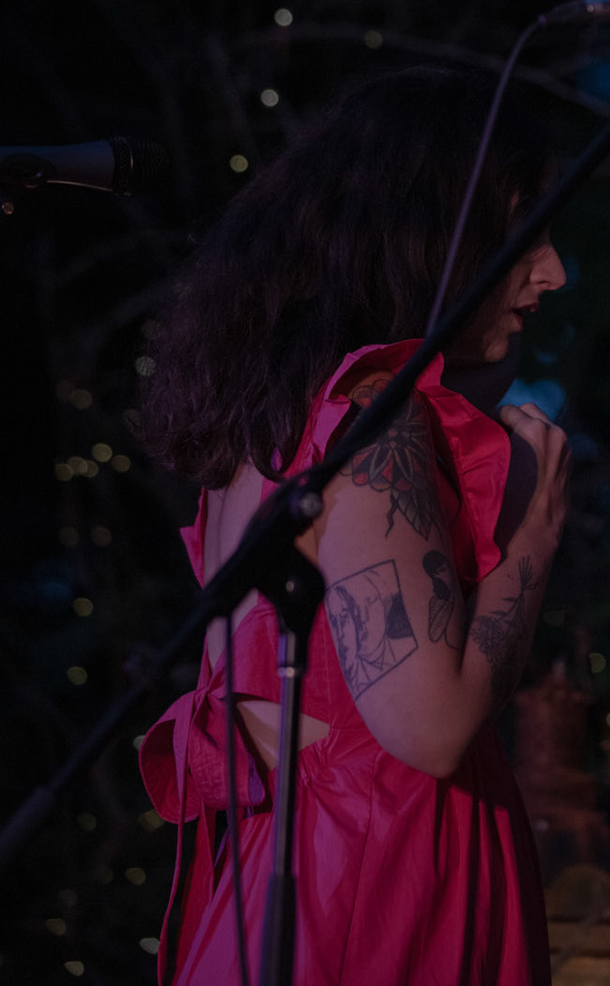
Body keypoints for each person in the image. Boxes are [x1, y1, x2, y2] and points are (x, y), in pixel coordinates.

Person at [136, 66, 569, 985]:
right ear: (427, 236)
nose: (553, 271)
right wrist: (534, 530)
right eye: (527, 229)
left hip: (297, 885)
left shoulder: (265, 435)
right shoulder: (376, 415)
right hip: (380, 890)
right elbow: (433, 725)